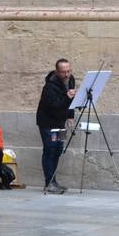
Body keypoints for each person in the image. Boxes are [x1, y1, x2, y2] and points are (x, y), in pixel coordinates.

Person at [35, 58, 76, 195]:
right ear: (57, 72)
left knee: (58, 149)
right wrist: (66, 97)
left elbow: (71, 101)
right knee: (50, 150)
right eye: (63, 72)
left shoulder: (71, 80)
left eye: (69, 71)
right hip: (48, 122)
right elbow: (54, 105)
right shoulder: (49, 86)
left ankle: (54, 181)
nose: (67, 74)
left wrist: (70, 115)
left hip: (61, 122)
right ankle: (48, 183)